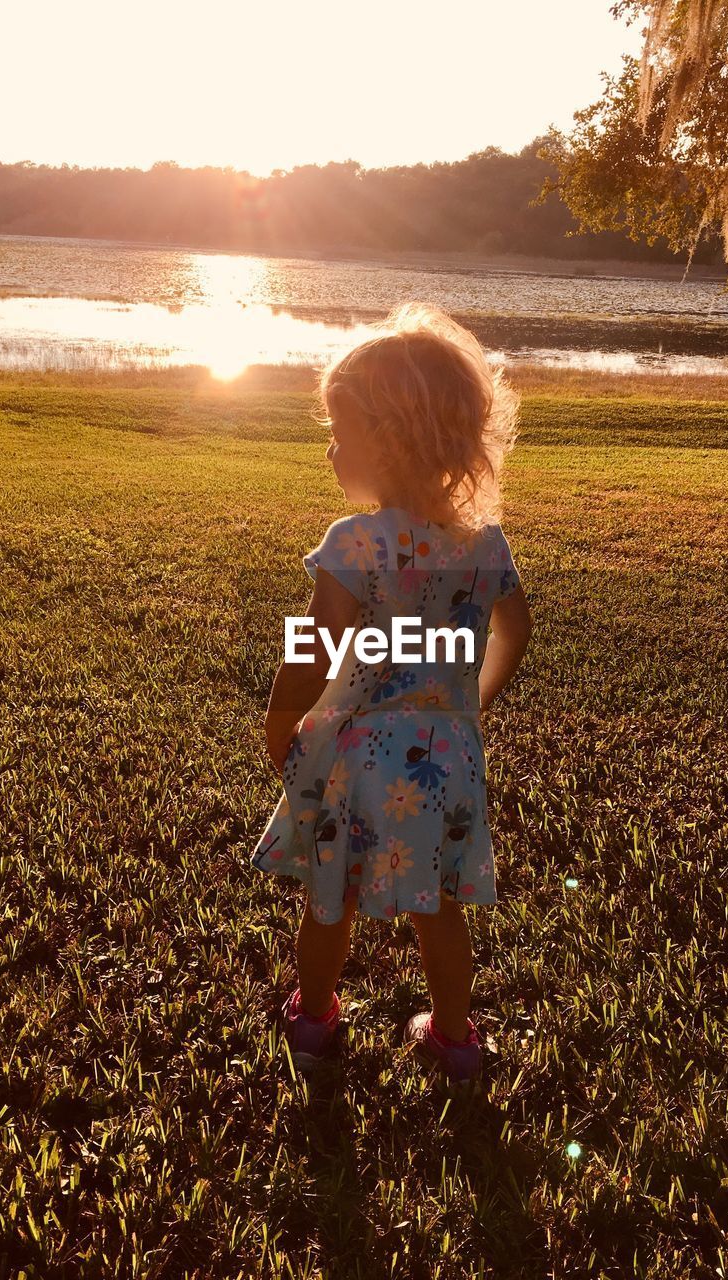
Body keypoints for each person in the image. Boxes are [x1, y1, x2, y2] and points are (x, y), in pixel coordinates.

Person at [250, 301, 532, 1086]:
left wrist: (281, 722)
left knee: (328, 892)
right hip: (445, 757)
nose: (332, 448)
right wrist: (469, 701)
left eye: (342, 431)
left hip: (358, 754)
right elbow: (516, 628)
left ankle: (313, 1018)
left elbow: (314, 648)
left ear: (392, 439)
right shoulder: (485, 547)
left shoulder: (356, 542)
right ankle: (453, 1037)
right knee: (437, 904)